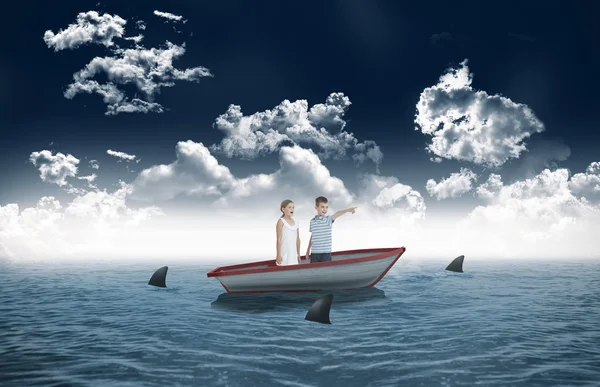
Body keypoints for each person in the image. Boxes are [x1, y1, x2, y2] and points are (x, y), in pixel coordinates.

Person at [305, 196, 356, 263]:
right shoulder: (312, 221)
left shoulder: (328, 219)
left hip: (325, 253)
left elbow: (337, 213)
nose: (325, 209)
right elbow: (312, 236)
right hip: (314, 253)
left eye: (326, 207)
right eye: (322, 207)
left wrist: (348, 210)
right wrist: (308, 250)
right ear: (316, 207)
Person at [275, 199, 301, 266]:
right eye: (289, 207)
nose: (292, 209)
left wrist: (298, 254)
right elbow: (279, 239)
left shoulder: (296, 221)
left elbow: (298, 239)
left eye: (293, 207)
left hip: (294, 254)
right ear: (283, 209)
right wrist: (278, 255)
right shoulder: (281, 221)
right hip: (284, 253)